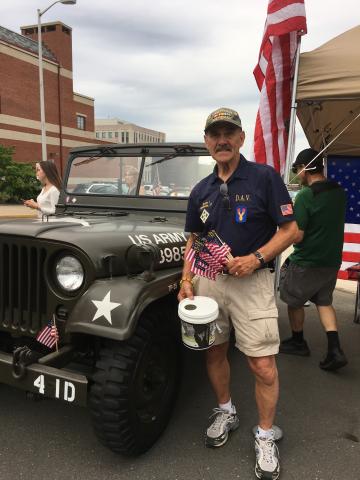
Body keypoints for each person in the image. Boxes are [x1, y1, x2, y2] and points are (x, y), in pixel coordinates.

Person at [178, 107, 298, 480]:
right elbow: (194, 241)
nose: (222, 140)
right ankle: (226, 411)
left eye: (229, 132)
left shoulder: (264, 177)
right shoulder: (201, 189)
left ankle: (265, 434)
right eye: (215, 134)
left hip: (253, 283)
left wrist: (257, 257)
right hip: (209, 281)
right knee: (214, 350)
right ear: (207, 143)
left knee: (261, 364)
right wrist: (186, 281)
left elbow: (291, 230)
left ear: (241, 138)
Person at [279, 148, 348, 371]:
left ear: (305, 168)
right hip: (331, 260)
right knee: (324, 301)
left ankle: (298, 342)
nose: (298, 174)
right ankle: (335, 349)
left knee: (294, 300)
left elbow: (297, 234)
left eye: (298, 169)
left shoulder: (306, 195)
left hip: (307, 261)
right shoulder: (339, 192)